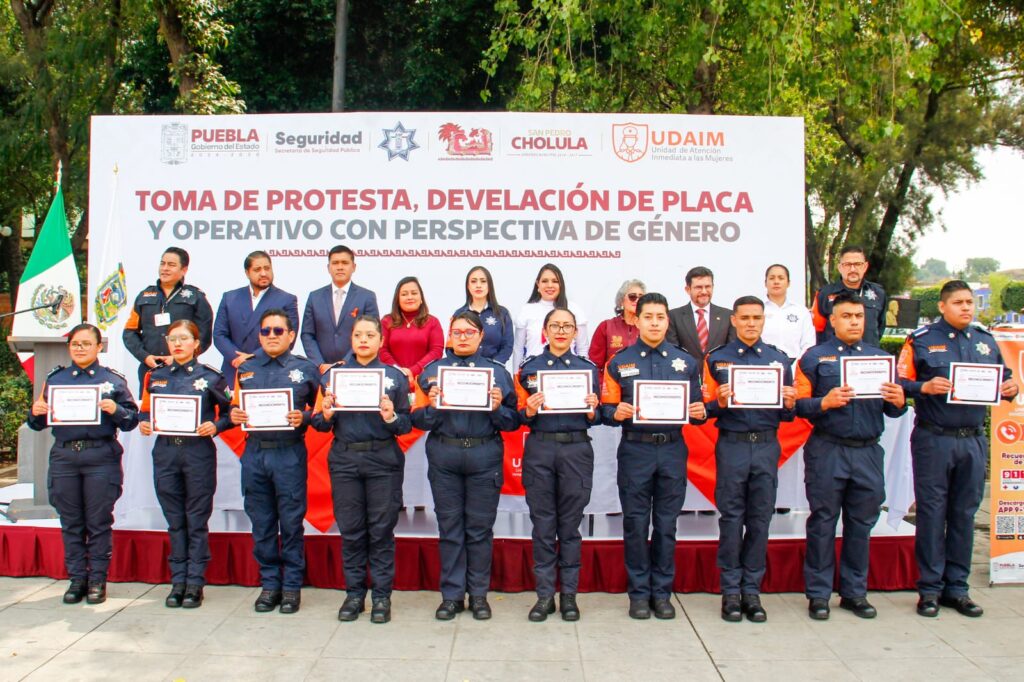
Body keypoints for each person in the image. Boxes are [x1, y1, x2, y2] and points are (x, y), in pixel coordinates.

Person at [897, 280, 1018, 618]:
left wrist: (1010, 388)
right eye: (958, 302)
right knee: (932, 514)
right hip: (934, 438)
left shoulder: (985, 340)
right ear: (942, 306)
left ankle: (957, 589)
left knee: (964, 514)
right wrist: (924, 386)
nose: (966, 307)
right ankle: (929, 590)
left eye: (969, 302)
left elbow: (1005, 380)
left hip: (972, 439)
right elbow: (899, 381)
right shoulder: (922, 340)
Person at [795, 292, 907, 620]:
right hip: (828, 449)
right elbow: (797, 406)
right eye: (846, 316)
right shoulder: (813, 358)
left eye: (858, 316)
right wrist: (823, 403)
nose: (854, 322)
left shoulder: (880, 359)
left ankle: (854, 592)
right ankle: (818, 594)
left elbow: (893, 410)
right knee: (823, 522)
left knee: (861, 523)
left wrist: (899, 401)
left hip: (867, 451)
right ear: (832, 320)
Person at [601, 293, 706, 620]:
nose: (655, 323)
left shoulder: (685, 362)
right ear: (637, 320)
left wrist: (700, 412)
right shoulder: (619, 363)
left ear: (667, 321)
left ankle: (661, 593)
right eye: (648, 317)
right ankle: (638, 594)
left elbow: (698, 408)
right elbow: (605, 409)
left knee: (666, 524)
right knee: (635, 524)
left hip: (672, 449)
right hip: (636, 450)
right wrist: (615, 412)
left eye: (660, 317)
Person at [411, 311, 520, 621]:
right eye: (457, 332)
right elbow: (416, 419)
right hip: (445, 455)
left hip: (484, 455)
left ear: (481, 336)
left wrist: (497, 409)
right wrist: (433, 408)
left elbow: (514, 421)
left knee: (479, 529)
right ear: (449, 335)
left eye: (469, 332)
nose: (462, 337)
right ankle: (452, 596)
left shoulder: (498, 374)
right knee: (450, 528)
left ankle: (479, 595)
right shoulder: (431, 372)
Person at [27, 323, 139, 605]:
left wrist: (116, 409)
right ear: (69, 347)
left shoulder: (112, 380)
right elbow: (37, 423)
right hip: (65, 457)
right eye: (75, 344)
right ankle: (77, 579)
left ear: (99, 347)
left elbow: (131, 421)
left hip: (100, 456)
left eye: (86, 344)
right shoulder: (56, 379)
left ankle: (97, 580)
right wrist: (36, 412)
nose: (80, 348)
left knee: (98, 521)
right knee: (71, 521)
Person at [313, 316, 412, 624]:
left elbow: (407, 424)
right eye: (358, 335)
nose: (364, 340)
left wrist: (391, 417)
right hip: (345, 460)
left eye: (370, 335)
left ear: (381, 340)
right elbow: (318, 424)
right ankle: (354, 594)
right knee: (352, 530)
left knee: (381, 531)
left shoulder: (394, 377)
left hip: (383, 460)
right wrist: (326, 414)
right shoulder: (333, 377)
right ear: (351, 340)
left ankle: (381, 596)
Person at [703, 296, 796, 623]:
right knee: (731, 518)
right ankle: (730, 591)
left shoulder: (778, 360)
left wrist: (789, 403)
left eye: (757, 318)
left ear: (763, 320)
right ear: (734, 320)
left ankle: (752, 592)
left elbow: (787, 414)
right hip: (733, 445)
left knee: (759, 518)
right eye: (745, 318)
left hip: (767, 445)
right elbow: (704, 409)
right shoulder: (717, 359)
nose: (751, 323)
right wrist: (718, 402)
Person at [229, 309, 320, 614]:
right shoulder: (246, 369)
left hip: (288, 453)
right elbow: (234, 407)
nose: (271, 336)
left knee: (291, 522)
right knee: (262, 521)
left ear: (291, 335)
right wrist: (234, 414)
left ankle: (291, 586)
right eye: (266, 331)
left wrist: (303, 417)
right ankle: (270, 584)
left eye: (278, 331)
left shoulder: (306, 369)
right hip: (255, 453)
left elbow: (322, 412)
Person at [515, 307, 601, 622]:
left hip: (576, 449)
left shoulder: (588, 370)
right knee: (543, 526)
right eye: (555, 326)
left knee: (569, 527)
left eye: (567, 326)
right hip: (540, 448)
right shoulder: (529, 369)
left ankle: (569, 597)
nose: (561, 331)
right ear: (545, 331)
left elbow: (599, 416)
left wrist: (592, 411)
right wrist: (529, 411)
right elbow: (516, 415)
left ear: (576, 332)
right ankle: (544, 597)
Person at [138, 319, 233, 609]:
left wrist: (215, 426)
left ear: (196, 344)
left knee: (196, 519)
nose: (177, 344)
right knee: (175, 520)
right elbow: (144, 411)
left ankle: (195, 583)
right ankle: (177, 581)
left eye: (183, 338)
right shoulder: (155, 377)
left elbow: (231, 413)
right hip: (166, 452)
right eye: (172, 339)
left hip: (197, 453)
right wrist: (145, 423)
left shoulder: (211, 377)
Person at [123, 246, 213, 390]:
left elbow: (204, 337)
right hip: (150, 368)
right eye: (162, 263)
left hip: (185, 370)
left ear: (184, 270)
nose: (165, 268)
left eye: (171, 265)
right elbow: (129, 332)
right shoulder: (144, 296)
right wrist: (145, 356)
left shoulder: (196, 297)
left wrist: (179, 358)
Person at [212, 250, 299, 385]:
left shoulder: (286, 299)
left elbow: (288, 338)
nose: (263, 273)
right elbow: (219, 334)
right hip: (234, 368)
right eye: (257, 269)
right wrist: (237, 358)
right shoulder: (230, 298)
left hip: (269, 369)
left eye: (267, 268)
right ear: (247, 273)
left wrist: (253, 357)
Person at [300, 245, 379, 374]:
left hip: (357, 368)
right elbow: (307, 334)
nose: (340, 267)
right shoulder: (314, 297)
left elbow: (372, 333)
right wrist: (320, 364)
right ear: (328, 267)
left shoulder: (367, 297)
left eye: (345, 263)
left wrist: (346, 362)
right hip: (321, 371)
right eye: (335, 263)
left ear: (354, 267)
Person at [513, 263, 590, 369]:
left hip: (569, 372)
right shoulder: (526, 310)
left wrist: (583, 373)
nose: (550, 285)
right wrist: (516, 374)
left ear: (561, 284)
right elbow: (518, 349)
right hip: (534, 372)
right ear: (537, 284)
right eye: (545, 281)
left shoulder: (575, 309)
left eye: (555, 281)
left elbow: (582, 349)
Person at [812, 245, 887, 345]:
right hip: (834, 353)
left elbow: (880, 327)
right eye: (847, 265)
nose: (853, 269)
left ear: (865, 266)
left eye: (857, 264)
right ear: (840, 267)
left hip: (868, 353)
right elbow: (817, 330)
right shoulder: (824, 294)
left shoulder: (878, 293)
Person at [381, 276, 444, 381]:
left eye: (414, 293)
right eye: (404, 294)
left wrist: (413, 371)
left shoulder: (433, 322)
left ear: (421, 298)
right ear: (397, 299)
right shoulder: (386, 321)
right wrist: (398, 371)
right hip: (392, 379)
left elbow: (436, 352)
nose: (409, 297)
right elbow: (381, 350)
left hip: (423, 380)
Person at [666, 266, 735, 361]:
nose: (704, 291)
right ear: (688, 289)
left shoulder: (727, 316)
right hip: (685, 369)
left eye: (708, 287)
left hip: (717, 369)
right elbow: (673, 351)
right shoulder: (673, 316)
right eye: (698, 287)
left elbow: (731, 351)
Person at [451, 265, 514, 364]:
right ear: (468, 286)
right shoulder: (459, 314)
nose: (478, 285)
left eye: (483, 281)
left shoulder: (502, 313)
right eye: (473, 281)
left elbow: (507, 346)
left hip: (494, 367)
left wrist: (494, 365)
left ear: (489, 285)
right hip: (465, 369)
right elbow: (450, 346)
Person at [762, 264, 816, 366]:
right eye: (772, 278)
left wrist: (796, 366)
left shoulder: (801, 311)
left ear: (788, 283)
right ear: (765, 283)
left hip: (796, 364)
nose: (776, 282)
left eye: (781, 278)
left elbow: (808, 344)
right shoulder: (758, 310)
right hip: (764, 364)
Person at [589, 279, 645, 374]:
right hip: (612, 381)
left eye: (641, 297)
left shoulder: (649, 328)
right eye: (632, 296)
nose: (637, 300)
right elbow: (595, 365)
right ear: (621, 301)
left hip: (641, 380)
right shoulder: (606, 327)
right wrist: (604, 382)